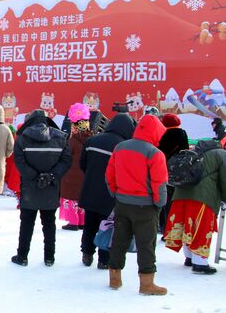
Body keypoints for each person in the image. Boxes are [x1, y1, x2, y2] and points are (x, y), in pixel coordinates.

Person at [105, 114, 168, 295]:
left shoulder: (120, 147)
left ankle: (114, 278)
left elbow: (109, 175)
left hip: (122, 203)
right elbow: (159, 183)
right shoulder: (155, 153)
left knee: (119, 241)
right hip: (145, 207)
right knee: (146, 244)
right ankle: (147, 284)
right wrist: (159, 203)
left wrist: (116, 194)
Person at [163, 139, 226, 274]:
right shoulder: (222, 154)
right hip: (203, 196)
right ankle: (200, 262)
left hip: (181, 195)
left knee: (186, 225)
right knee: (201, 227)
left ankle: (189, 257)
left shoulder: (192, 152)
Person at [11, 110, 71, 267]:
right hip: (51, 188)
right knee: (49, 224)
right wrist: (51, 176)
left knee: (26, 224)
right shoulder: (60, 138)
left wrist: (34, 176)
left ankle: (22, 256)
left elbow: (19, 161)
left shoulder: (22, 139)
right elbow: (66, 160)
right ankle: (49, 257)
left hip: (30, 189)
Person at [78, 113, 135, 269]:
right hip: (110, 194)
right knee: (107, 226)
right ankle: (104, 259)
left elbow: (83, 164)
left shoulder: (92, 141)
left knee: (89, 224)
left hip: (90, 190)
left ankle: (87, 253)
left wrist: (92, 177)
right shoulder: (124, 146)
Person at [59, 103, 94, 231]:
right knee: (81, 199)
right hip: (84, 174)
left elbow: (66, 156)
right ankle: (82, 221)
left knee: (71, 198)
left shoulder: (72, 141)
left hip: (70, 175)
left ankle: (73, 222)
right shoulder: (91, 138)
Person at [158, 114, 189, 232]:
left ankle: (164, 227)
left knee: (165, 199)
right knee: (176, 201)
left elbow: (160, 152)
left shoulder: (164, 134)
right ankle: (175, 227)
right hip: (179, 170)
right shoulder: (183, 133)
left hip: (164, 170)